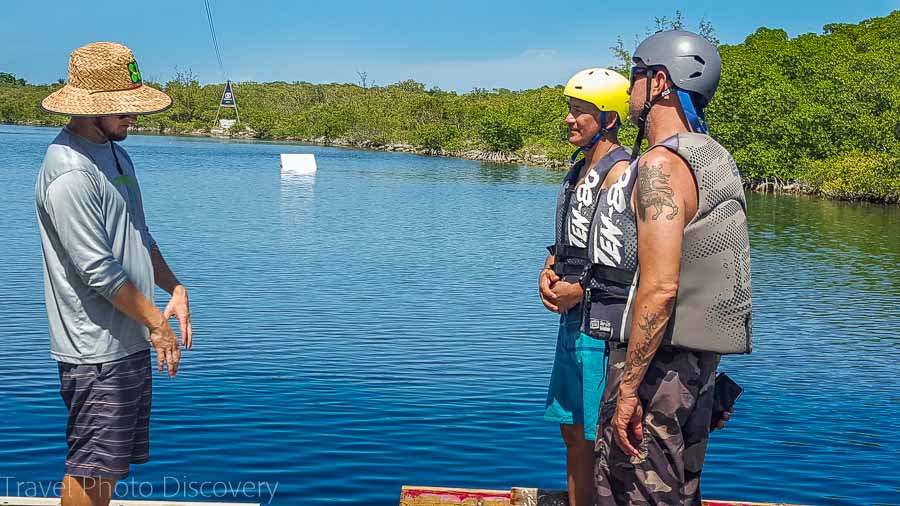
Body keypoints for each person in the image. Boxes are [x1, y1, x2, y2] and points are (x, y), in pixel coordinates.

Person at [590, 31, 753, 505]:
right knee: (681, 492)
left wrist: (628, 392)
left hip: (656, 375)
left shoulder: (662, 165)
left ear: (659, 81)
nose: (628, 90)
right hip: (698, 372)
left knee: (631, 492)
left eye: (635, 76)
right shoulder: (715, 158)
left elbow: (660, 288)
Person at [35, 42, 193, 506]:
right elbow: (98, 271)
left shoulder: (116, 154)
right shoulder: (69, 172)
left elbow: (139, 235)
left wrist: (176, 288)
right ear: (92, 110)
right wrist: (157, 324)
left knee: (112, 467)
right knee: (91, 467)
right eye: (123, 108)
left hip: (129, 338)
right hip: (95, 348)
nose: (133, 117)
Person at [538, 68, 632, 506]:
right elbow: (569, 244)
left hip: (602, 327)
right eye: (570, 111)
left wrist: (583, 291)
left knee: (599, 435)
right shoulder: (578, 171)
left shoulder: (624, 174)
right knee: (572, 430)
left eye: (581, 112)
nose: (570, 120)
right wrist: (549, 270)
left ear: (609, 119)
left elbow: (637, 262)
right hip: (572, 323)